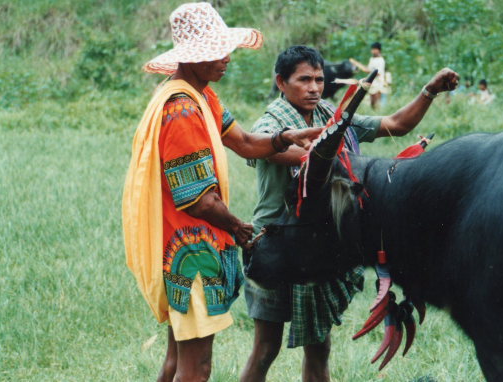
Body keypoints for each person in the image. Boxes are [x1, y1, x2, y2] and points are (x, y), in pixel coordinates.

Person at [121, 5, 321, 382]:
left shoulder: (202, 97)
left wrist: (283, 138)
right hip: (191, 255)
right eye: (216, 50)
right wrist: (238, 227)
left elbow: (245, 142)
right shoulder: (181, 111)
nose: (227, 58)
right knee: (197, 369)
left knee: (175, 363)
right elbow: (198, 199)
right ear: (191, 56)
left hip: (182, 251)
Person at [240, 45, 459, 382]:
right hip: (277, 244)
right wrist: (333, 140)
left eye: (318, 79)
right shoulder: (270, 128)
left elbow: (397, 124)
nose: (314, 87)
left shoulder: (332, 115)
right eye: (304, 80)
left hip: (318, 245)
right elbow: (309, 159)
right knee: (266, 348)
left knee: (319, 346)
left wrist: (428, 91)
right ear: (281, 83)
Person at [349, 42, 389, 109]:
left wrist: (359, 65)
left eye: (374, 49)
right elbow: (368, 69)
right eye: (372, 49)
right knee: (372, 104)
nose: (373, 51)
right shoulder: (372, 59)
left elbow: (376, 72)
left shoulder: (381, 60)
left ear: (378, 50)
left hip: (378, 84)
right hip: (372, 83)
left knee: (377, 104)